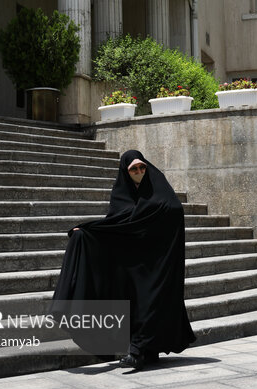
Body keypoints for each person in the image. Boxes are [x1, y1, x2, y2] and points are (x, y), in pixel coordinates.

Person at [52, 149, 196, 370]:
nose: (138, 172)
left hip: (157, 262)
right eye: (133, 169)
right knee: (133, 303)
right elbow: (116, 226)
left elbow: (174, 210)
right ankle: (144, 350)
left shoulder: (158, 190)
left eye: (141, 168)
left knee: (150, 302)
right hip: (131, 263)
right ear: (125, 172)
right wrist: (87, 231)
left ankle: (139, 351)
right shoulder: (121, 195)